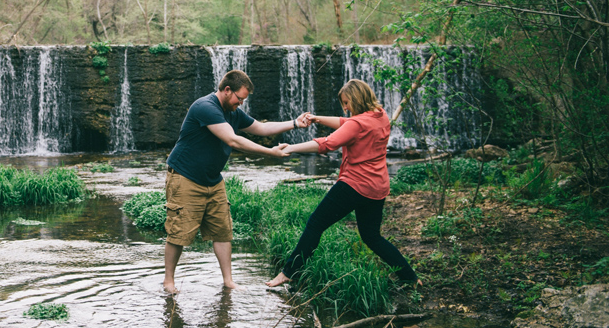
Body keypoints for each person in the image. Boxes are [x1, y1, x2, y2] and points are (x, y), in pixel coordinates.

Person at [164, 69, 309, 294]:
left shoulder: (233, 111)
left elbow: (261, 128)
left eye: (243, 100)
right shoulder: (205, 107)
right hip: (185, 177)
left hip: (213, 180)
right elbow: (233, 140)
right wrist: (271, 153)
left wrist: (294, 123)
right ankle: (168, 282)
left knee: (223, 231)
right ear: (227, 90)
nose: (240, 103)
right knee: (178, 233)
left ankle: (228, 281)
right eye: (239, 98)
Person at [266, 79, 420, 287]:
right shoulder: (380, 115)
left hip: (354, 185)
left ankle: (289, 272)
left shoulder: (357, 124)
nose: (345, 108)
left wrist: (291, 148)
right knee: (372, 236)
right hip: (377, 186)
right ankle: (410, 278)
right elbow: (347, 124)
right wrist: (318, 119)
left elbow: (328, 143)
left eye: (347, 103)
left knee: (315, 223)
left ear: (357, 99)